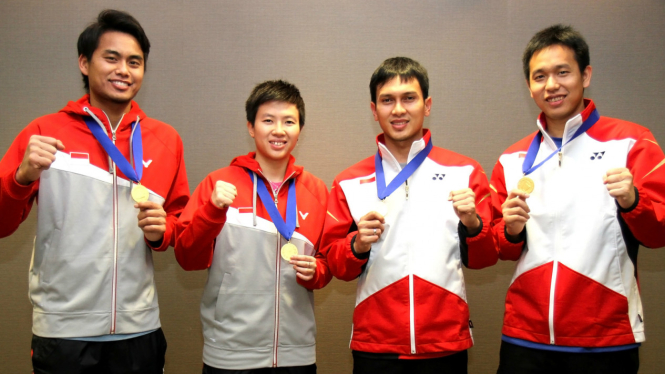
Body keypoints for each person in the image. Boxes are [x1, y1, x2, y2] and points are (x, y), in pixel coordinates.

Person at [0, 9, 190, 373]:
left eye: (135, 62)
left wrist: (163, 232)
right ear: (84, 63)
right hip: (63, 329)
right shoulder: (44, 131)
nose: (124, 70)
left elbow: (180, 225)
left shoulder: (166, 140)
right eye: (112, 58)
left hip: (140, 327)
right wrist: (21, 178)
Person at [491, 24, 665, 374]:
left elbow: (658, 233)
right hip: (525, 336)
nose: (551, 85)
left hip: (605, 337)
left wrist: (632, 200)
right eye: (539, 76)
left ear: (585, 75)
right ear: (529, 86)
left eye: (562, 72)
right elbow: (501, 248)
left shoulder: (631, 143)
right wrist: (510, 230)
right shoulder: (512, 159)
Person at [319, 57, 498, 374]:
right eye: (387, 100)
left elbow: (486, 258)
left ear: (427, 105)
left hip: (445, 344)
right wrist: (357, 244)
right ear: (374, 110)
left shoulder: (466, 171)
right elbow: (336, 266)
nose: (398, 110)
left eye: (409, 98)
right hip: (376, 345)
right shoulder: (349, 181)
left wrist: (472, 223)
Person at [175, 80, 331, 374]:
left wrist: (317, 272)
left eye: (289, 121)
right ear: (251, 126)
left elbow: (326, 264)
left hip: (295, 354)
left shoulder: (317, 191)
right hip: (229, 352)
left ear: (300, 129)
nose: (278, 130)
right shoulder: (217, 183)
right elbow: (186, 257)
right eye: (267, 120)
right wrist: (212, 210)